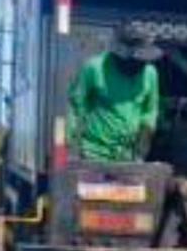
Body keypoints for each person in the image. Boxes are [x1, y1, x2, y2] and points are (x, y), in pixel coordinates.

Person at [67, 23, 163, 162]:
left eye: (143, 61)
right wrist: (71, 147)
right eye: (136, 61)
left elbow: (150, 112)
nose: (140, 65)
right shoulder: (94, 68)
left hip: (128, 155)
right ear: (120, 54)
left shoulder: (150, 74)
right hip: (94, 153)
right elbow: (75, 108)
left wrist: (142, 150)